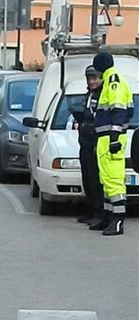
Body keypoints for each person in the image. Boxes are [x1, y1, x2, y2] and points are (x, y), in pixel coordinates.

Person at [91, 51, 134, 236]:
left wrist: (115, 137)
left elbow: (118, 110)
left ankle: (117, 221)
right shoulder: (108, 80)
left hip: (111, 139)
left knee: (115, 181)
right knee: (106, 180)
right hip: (105, 138)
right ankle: (108, 217)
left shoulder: (114, 80)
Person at [70, 65, 104, 227]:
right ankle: (91, 211)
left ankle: (99, 213)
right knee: (88, 180)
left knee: (96, 181)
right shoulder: (88, 95)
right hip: (85, 142)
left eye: (95, 78)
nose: (92, 81)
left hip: (96, 144)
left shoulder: (103, 95)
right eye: (90, 78)